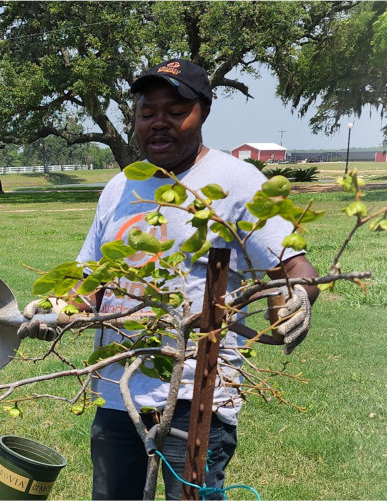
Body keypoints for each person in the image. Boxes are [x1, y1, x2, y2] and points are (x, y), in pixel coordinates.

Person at [45, 59, 321, 500]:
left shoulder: (238, 183)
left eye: (175, 112)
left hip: (200, 396)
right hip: (120, 393)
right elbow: (90, 279)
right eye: (147, 112)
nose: (159, 123)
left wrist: (298, 297)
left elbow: (294, 267)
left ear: (203, 113)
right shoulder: (120, 187)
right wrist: (56, 309)